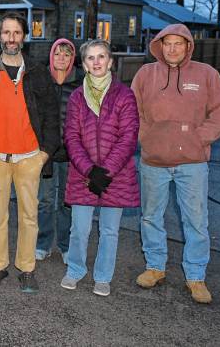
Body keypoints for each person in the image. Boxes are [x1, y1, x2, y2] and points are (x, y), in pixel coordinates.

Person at [131, 24, 220, 304]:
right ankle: (155, 267)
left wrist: (200, 138)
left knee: (196, 220)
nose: (172, 48)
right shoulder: (145, 74)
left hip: (193, 162)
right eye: (167, 43)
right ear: (160, 46)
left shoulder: (207, 74)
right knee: (151, 216)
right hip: (153, 160)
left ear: (188, 46)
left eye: (178, 43)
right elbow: (133, 111)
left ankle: (196, 276)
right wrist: (145, 138)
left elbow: (219, 113)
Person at [0, 12, 60, 293]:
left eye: (16, 32)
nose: (11, 38)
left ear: (24, 36)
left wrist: (44, 154)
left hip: (29, 157)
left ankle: (26, 269)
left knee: (29, 216)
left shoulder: (36, 71)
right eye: (6, 32)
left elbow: (50, 115)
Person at [59, 40, 139, 297]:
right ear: (83, 64)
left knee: (109, 230)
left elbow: (128, 137)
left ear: (110, 61)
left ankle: (103, 276)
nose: (96, 62)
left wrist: (105, 172)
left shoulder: (124, 95)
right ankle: (75, 269)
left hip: (116, 175)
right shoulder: (76, 97)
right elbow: (71, 137)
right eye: (90, 58)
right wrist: (89, 170)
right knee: (79, 228)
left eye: (101, 56)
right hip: (83, 175)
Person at [35, 38, 76, 263]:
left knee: (66, 201)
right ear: (51, 56)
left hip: (70, 155)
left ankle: (65, 244)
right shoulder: (42, 82)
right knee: (45, 200)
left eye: (66, 54)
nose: (62, 58)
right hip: (47, 154)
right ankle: (43, 243)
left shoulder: (79, 85)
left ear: (72, 59)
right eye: (58, 54)